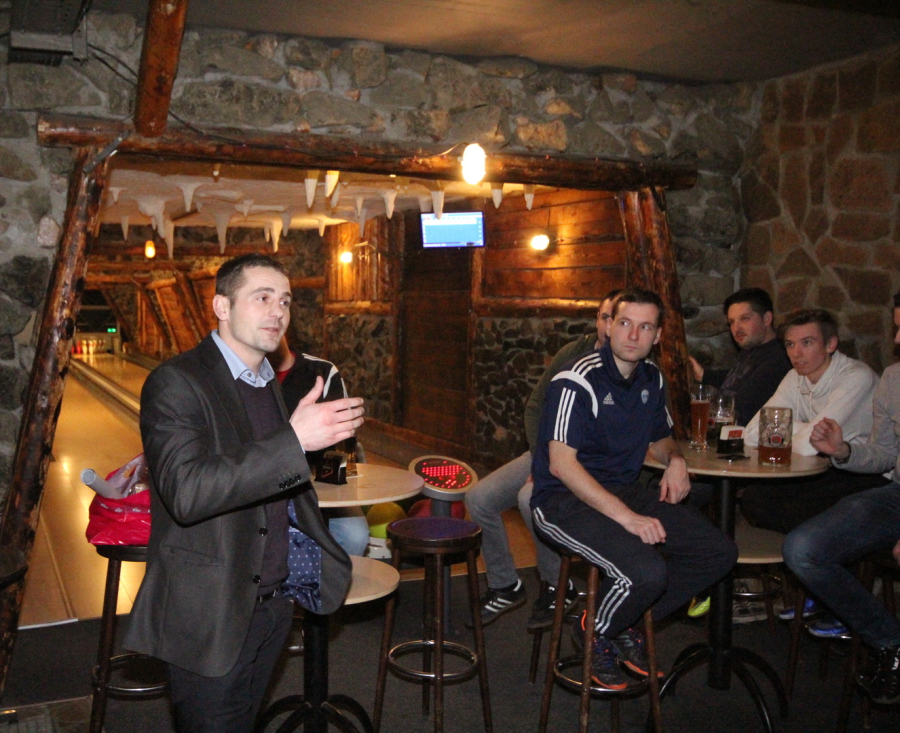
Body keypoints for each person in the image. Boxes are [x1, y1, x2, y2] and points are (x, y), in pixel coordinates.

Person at [124, 253, 365, 733]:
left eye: (285, 301)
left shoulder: (264, 382)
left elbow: (273, 481)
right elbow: (187, 492)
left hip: (272, 602)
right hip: (212, 610)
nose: (278, 312)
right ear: (222, 306)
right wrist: (294, 440)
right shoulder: (176, 382)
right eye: (262, 298)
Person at [530, 287, 737, 689]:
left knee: (718, 552)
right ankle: (595, 630)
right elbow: (561, 465)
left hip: (621, 491)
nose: (632, 334)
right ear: (609, 326)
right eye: (624, 323)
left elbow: (660, 437)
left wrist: (675, 460)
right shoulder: (576, 379)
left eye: (645, 327)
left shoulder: (651, 378)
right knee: (646, 572)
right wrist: (628, 519)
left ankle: (619, 622)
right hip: (561, 501)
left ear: (657, 336)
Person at [465, 290, 620, 629]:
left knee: (529, 498)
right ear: (597, 320)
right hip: (548, 451)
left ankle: (556, 586)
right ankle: (506, 585)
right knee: (478, 498)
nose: (610, 326)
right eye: (605, 317)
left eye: (618, 320)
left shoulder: (632, 368)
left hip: (588, 465)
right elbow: (536, 407)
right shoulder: (573, 353)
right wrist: (541, 460)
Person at [783, 292, 900, 704]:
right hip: (895, 492)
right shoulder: (893, 379)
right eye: (897, 328)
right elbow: (884, 454)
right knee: (802, 548)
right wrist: (844, 451)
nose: (898, 339)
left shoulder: (861, 375)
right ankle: (890, 641)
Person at [741, 308, 888, 536]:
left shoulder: (856, 376)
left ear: (831, 344)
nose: (796, 353)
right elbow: (750, 432)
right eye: (790, 344)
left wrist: (786, 428)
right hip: (820, 467)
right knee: (753, 498)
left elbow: (809, 446)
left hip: (864, 471)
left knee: (796, 509)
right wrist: (804, 429)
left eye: (807, 343)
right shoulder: (794, 377)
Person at [270, 335, 370, 556]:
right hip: (264, 484)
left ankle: (332, 578)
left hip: (315, 484)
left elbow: (342, 445)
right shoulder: (243, 375)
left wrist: (328, 487)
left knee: (354, 536)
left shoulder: (321, 371)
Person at [689, 287, 792, 427]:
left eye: (745, 319)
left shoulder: (778, 358)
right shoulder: (751, 348)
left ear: (767, 318)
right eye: (731, 322)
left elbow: (743, 405)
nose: (736, 329)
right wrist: (704, 375)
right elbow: (739, 378)